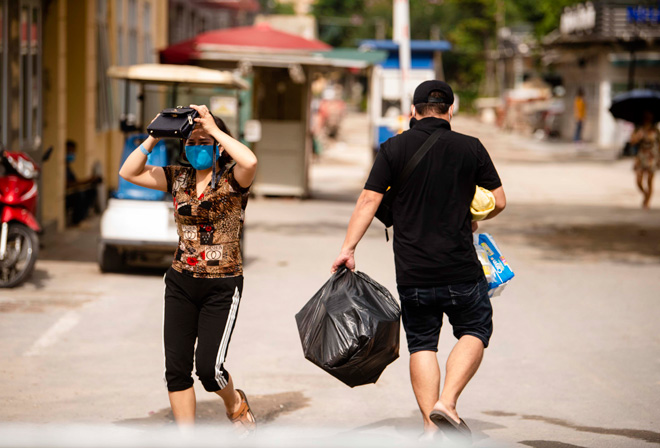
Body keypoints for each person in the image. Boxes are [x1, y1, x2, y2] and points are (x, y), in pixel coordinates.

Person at [331, 81, 506, 441]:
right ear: (450, 111)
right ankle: (448, 403)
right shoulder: (471, 148)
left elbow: (369, 201)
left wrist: (348, 248)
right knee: (475, 329)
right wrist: (472, 217)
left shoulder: (393, 148)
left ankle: (429, 428)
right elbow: (499, 200)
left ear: (413, 110)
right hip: (459, 267)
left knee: (423, 343)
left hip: (412, 272)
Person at [119, 105, 258, 434]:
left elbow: (250, 161)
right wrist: (154, 136)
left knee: (209, 371)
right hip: (181, 282)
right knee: (176, 369)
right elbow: (129, 172)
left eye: (203, 141)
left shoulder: (233, 179)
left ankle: (234, 402)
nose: (196, 146)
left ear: (218, 145)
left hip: (222, 286)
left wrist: (214, 129)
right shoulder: (176, 177)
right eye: (191, 141)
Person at [65, 140, 101, 225]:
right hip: (67, 197)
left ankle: (83, 217)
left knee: (91, 192)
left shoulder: (68, 167)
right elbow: (68, 184)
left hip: (72, 191)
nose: (71, 154)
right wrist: (86, 181)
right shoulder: (63, 168)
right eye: (69, 151)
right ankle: (77, 220)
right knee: (79, 195)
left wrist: (89, 181)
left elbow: (74, 181)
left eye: (73, 152)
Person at [629, 110, 660, 209]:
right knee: (639, 180)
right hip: (641, 156)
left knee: (650, 180)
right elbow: (632, 142)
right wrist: (638, 136)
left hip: (652, 156)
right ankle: (645, 194)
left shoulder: (655, 130)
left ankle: (647, 201)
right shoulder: (638, 129)